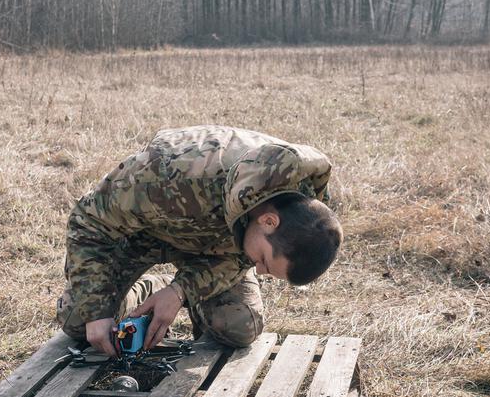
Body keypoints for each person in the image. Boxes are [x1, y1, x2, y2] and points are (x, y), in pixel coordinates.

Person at [56, 125, 343, 356]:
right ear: (268, 221)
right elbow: (88, 221)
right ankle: (147, 292)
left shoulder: (305, 209)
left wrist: (180, 291)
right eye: (266, 262)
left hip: (214, 250)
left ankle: (167, 293)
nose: (258, 271)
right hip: (141, 236)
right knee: (79, 322)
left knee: (239, 327)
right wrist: (97, 312)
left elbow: (237, 260)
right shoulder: (169, 171)